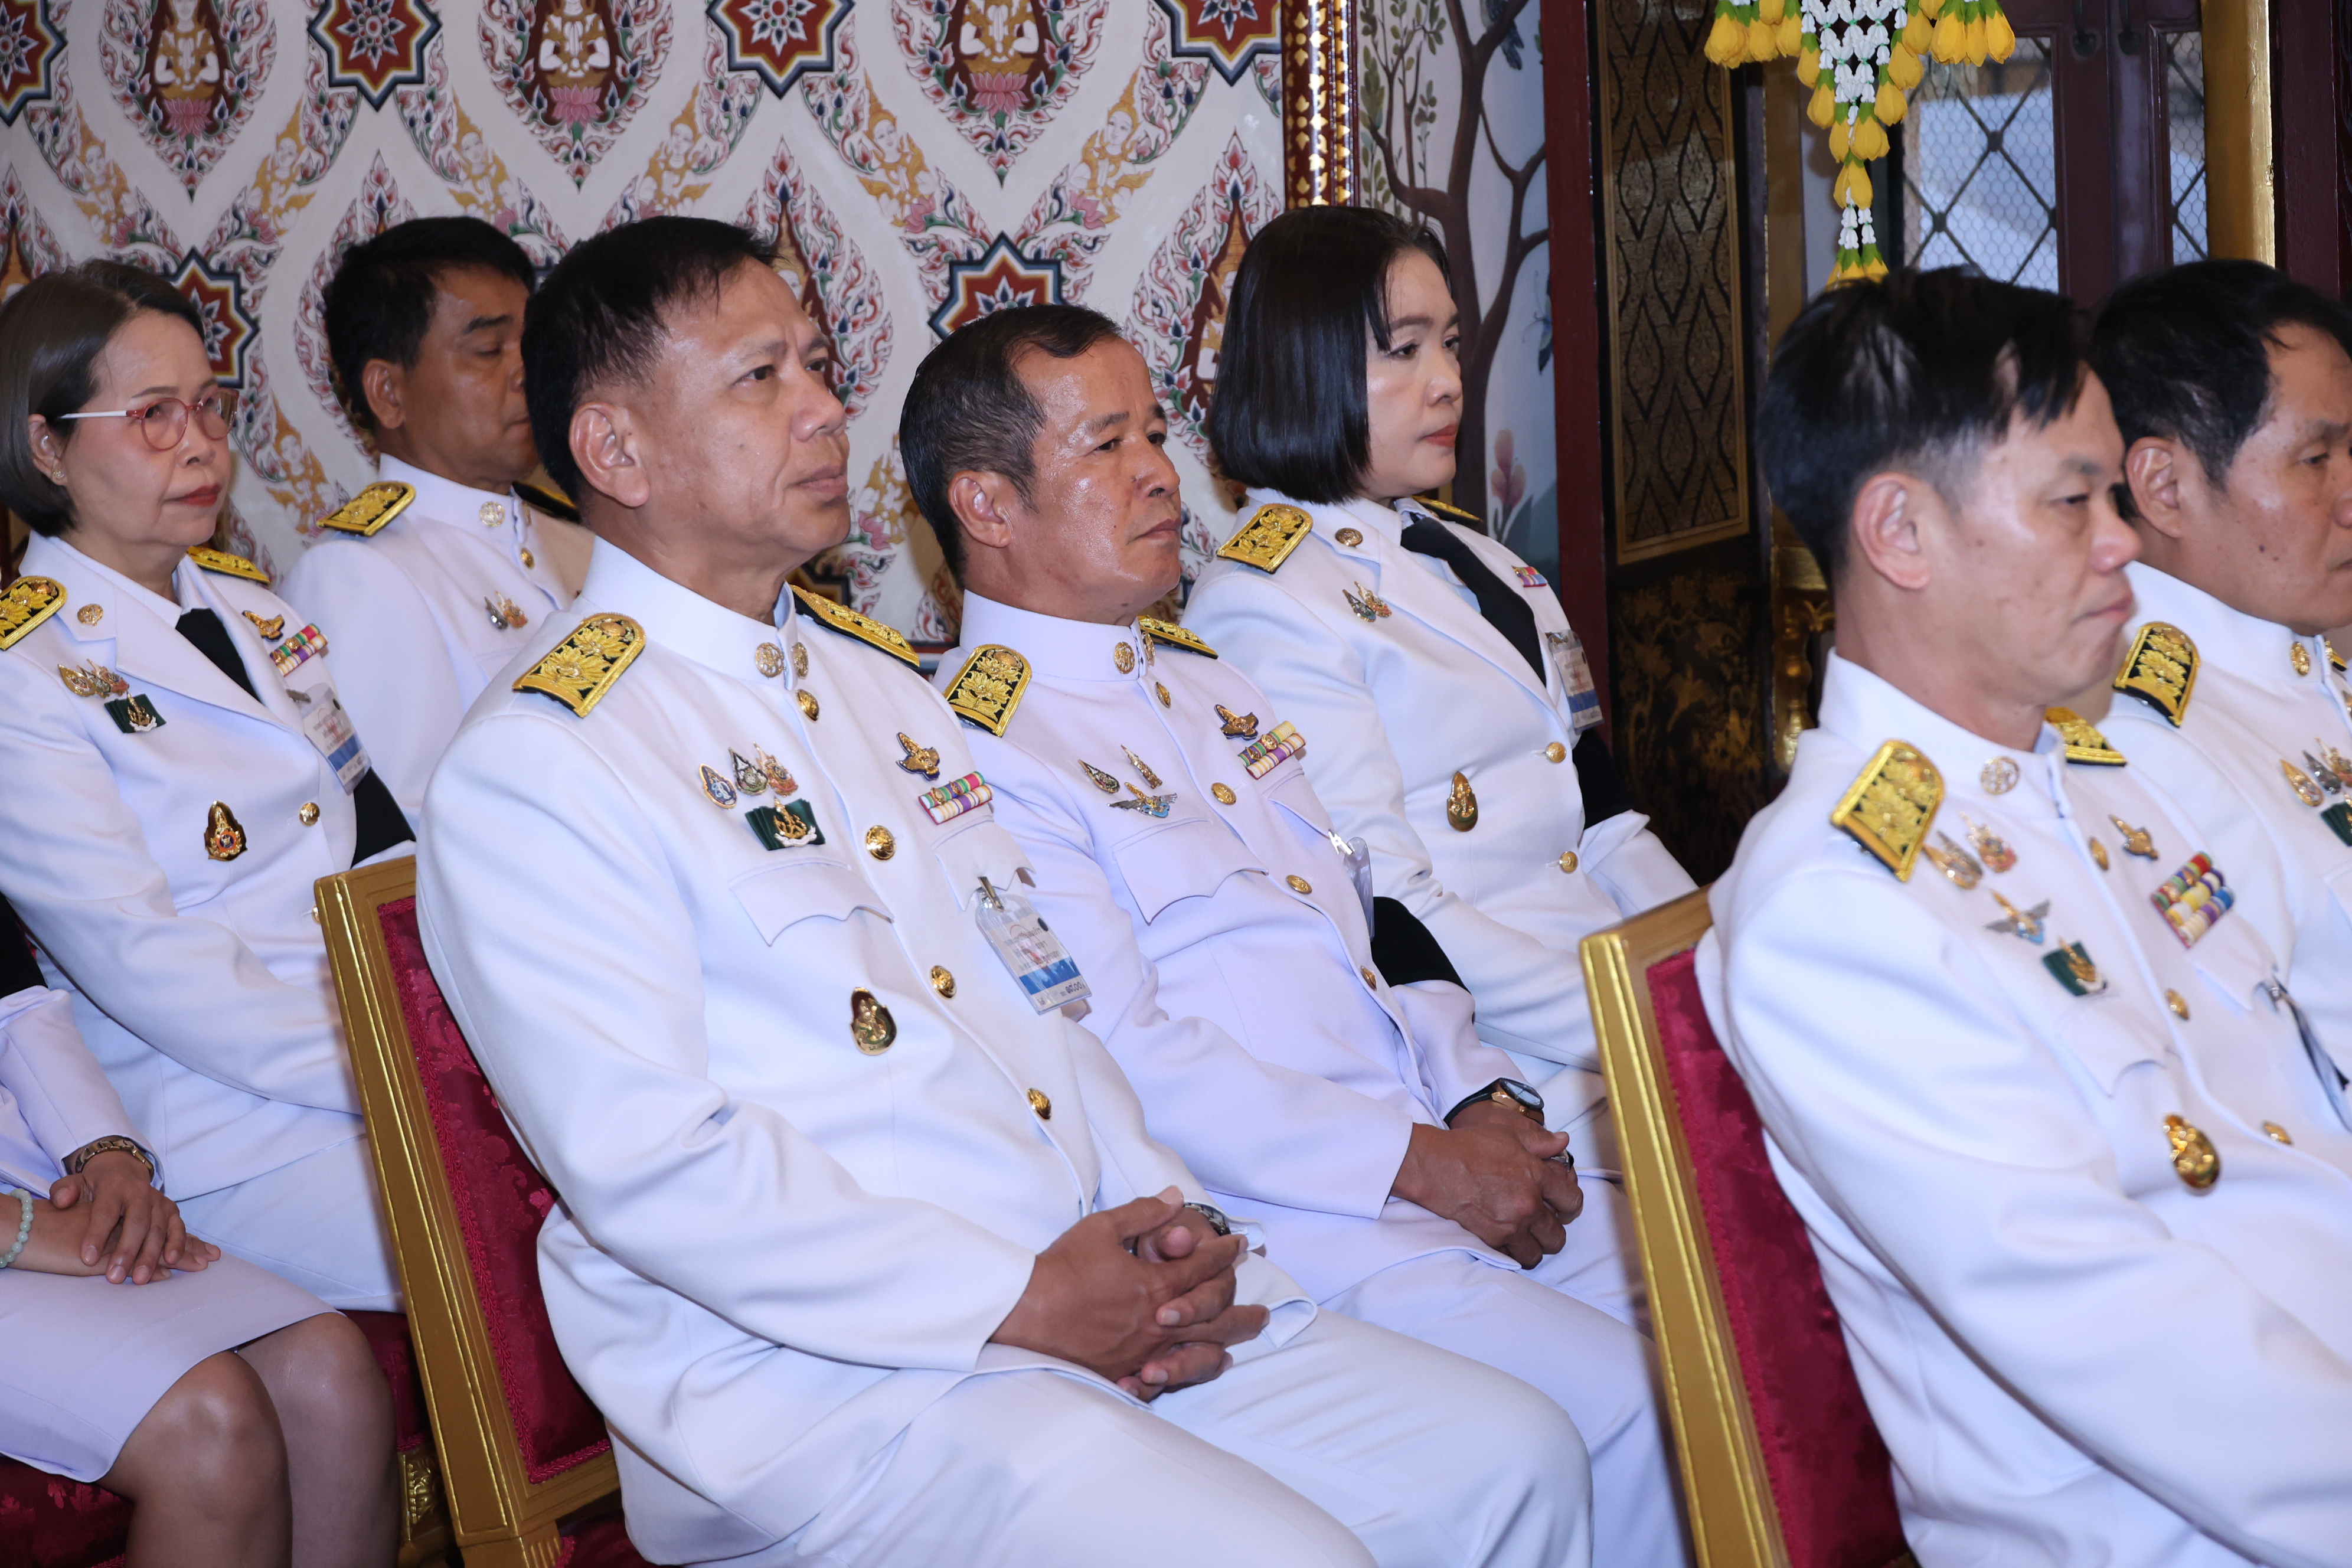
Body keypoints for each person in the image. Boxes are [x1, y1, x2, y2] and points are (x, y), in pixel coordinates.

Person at [417, 215, 1590, 1568]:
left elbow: (1046, 1001)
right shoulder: (547, 759)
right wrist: (1022, 1298)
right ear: (614, 450)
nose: (823, 408)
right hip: (821, 1395)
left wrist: (1170, 1235)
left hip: (1060, 1281)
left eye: (816, 362)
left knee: (1517, 1460)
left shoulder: (871, 686)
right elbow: (662, 1170)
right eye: (761, 379)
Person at [911, 303, 1688, 1567]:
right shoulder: (980, 744)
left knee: (1745, 1307)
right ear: (987, 506)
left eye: (1155, 432)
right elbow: (1127, 1053)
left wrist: (1480, 1092)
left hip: (1430, 1146)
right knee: (1644, 1409)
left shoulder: (1209, 684)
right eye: (1105, 445)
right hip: (1295, 1213)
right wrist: (1423, 1161)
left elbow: (1367, 931)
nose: (1160, 470)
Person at [1706, 266, 2352, 1566]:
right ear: (1901, 534)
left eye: (2115, 493)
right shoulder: (1836, 909)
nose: (2123, 538)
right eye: (2074, 500)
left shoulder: (2096, 775)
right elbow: (2116, 1326)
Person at [1185, 206, 1694, 1200]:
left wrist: (1715, 969)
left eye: (1450, 344)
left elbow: (1604, 825)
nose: (1448, 380)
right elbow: (1386, 905)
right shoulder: (1263, 600)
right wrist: (1643, 1019)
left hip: (1616, 1006)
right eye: (1403, 351)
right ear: (1304, 368)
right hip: (1506, 1061)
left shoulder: (1479, 558)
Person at [0, 260, 411, 1314]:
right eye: (150, 415)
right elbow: (146, 962)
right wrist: (389, 1065)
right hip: (225, 1120)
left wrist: (446, 1024)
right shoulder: (21, 672)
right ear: (47, 444)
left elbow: (378, 841)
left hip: (382, 1058)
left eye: (208, 407)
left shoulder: (249, 607)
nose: (197, 442)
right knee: (533, 1261)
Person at [0, 897, 397, 1568]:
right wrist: (17, 1228)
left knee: (329, 1371)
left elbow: (17, 1007)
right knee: (211, 1422)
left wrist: (107, 1156)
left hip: (24, 1172)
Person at [2088, 260, 2352, 1073]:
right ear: (2164, 486)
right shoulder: (2141, 735)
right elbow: (2258, 1090)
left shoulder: (2304, 659)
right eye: (2317, 460)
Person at [282, 216, 592, 822]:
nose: (525, 372)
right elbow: (406, 833)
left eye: (529, 345)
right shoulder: (358, 573)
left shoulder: (584, 539)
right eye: (487, 350)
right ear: (388, 393)